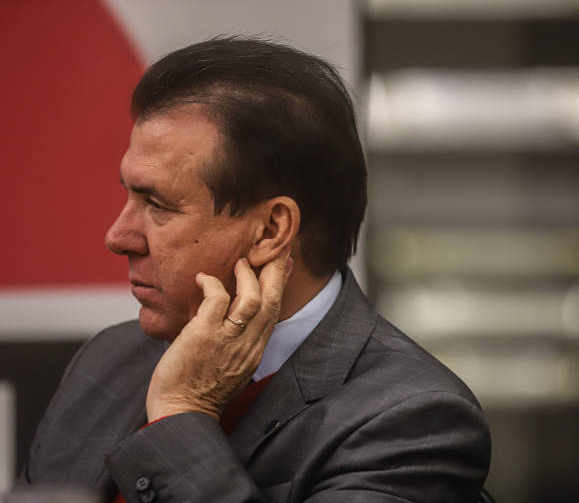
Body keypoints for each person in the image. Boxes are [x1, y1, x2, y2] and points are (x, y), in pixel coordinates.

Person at [13, 37, 491, 502]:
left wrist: (180, 415)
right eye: (129, 195)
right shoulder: (110, 358)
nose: (117, 237)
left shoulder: (411, 419)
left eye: (157, 204)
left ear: (270, 230)